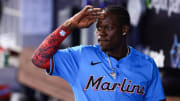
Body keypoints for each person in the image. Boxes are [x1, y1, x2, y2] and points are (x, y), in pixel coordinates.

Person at [32, 5, 166, 101]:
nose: (101, 33)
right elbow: (39, 59)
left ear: (124, 29)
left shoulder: (146, 64)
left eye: (108, 28)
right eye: (99, 28)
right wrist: (69, 25)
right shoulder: (81, 56)